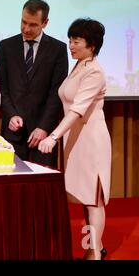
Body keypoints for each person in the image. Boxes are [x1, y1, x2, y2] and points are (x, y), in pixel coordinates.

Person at [38, 18, 111, 260]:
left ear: (91, 45)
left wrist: (54, 136)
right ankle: (92, 247)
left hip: (91, 141)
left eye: (76, 41)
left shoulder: (94, 71)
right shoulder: (79, 65)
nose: (70, 45)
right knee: (82, 197)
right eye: (70, 40)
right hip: (75, 138)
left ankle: (94, 254)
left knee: (93, 201)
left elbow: (78, 109)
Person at [0, 0, 68, 167]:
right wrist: (11, 114)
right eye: (23, 22)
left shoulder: (58, 50)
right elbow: (1, 87)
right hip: (12, 132)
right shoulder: (6, 46)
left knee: (40, 188)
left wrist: (43, 127)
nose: (26, 29)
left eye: (33, 25)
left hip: (42, 135)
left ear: (45, 23)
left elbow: (56, 93)